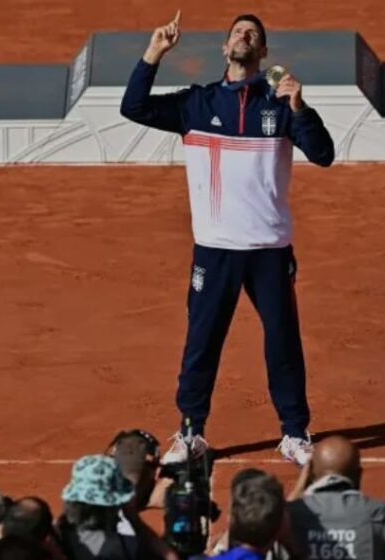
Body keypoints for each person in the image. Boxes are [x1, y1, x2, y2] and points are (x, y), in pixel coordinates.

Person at [120, 11, 336, 468]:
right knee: (202, 341)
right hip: (215, 249)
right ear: (225, 48)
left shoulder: (279, 105)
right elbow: (133, 107)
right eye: (238, 31)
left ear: (263, 53)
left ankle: (295, 434)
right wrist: (153, 54)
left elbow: (323, 154)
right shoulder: (194, 105)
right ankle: (191, 432)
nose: (244, 36)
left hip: (270, 251)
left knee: (282, 342)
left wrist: (300, 107)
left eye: (253, 34)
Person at [285, 436, 385, 560]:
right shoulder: (378, 512)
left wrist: (298, 489)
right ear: (359, 475)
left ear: (309, 474)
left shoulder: (290, 514)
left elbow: (276, 525)